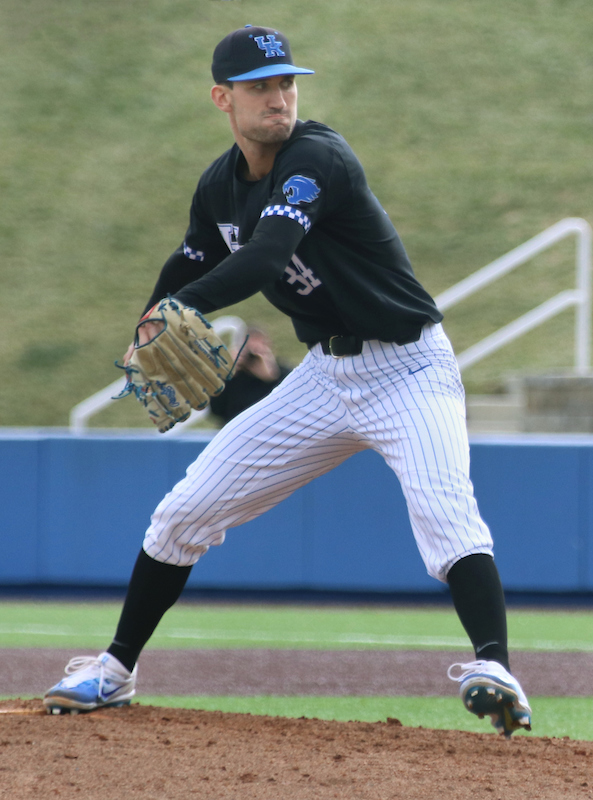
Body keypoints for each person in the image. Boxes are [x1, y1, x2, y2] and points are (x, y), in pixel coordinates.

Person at [44, 25, 532, 736]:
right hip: (324, 377)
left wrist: (184, 307)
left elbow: (267, 258)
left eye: (286, 82)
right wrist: (151, 317)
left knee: (444, 513)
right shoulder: (219, 185)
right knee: (183, 513)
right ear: (223, 98)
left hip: (410, 367)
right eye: (260, 86)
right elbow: (188, 261)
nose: (278, 97)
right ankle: (113, 672)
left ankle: (496, 668)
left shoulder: (316, 159)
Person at [207, 327, 292, 426]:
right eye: (248, 350)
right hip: (237, 429)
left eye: (259, 351)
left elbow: (288, 408)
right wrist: (225, 374)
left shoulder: (282, 373)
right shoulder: (235, 375)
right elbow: (216, 411)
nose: (253, 357)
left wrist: (271, 378)